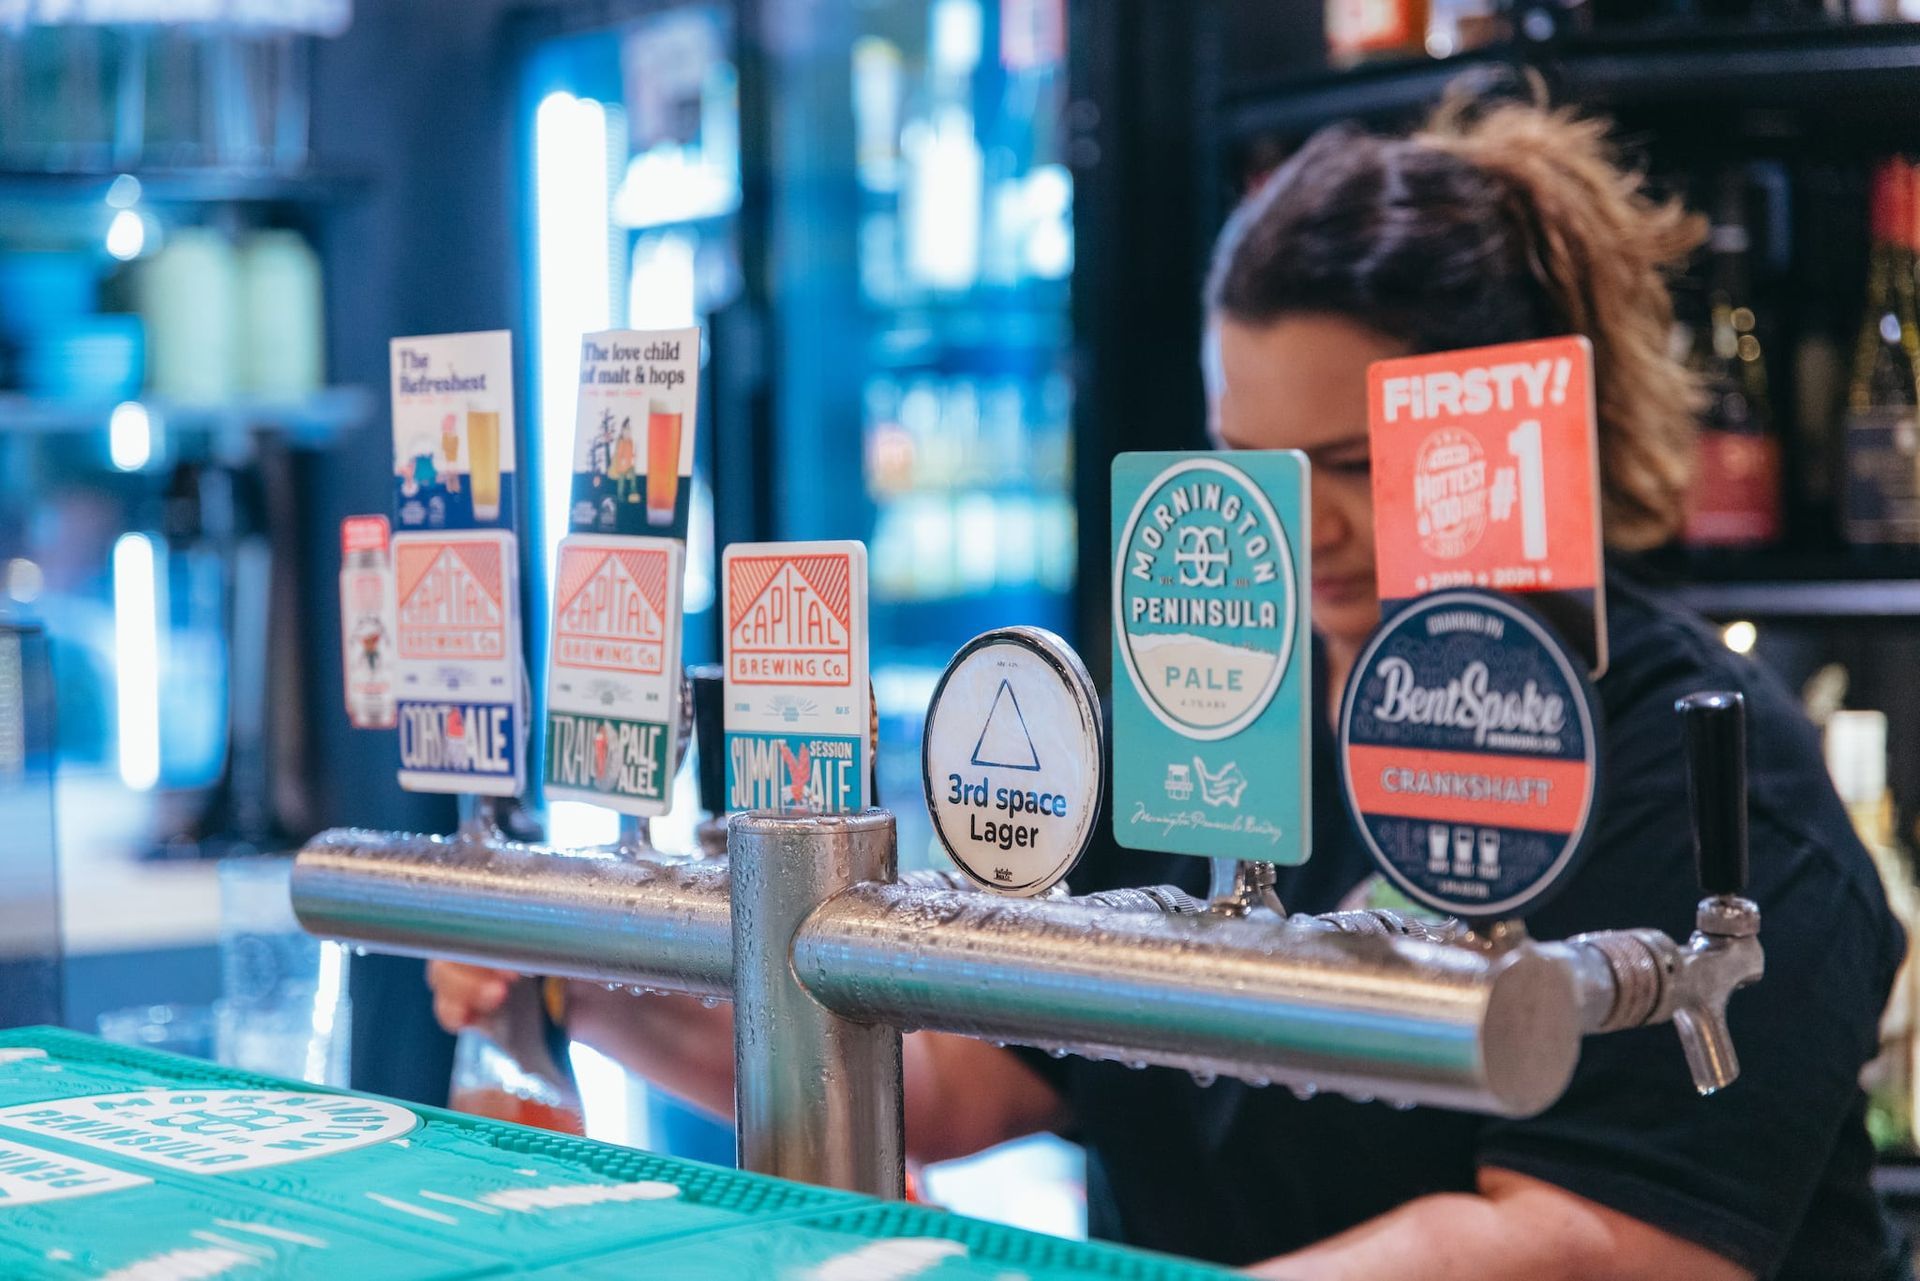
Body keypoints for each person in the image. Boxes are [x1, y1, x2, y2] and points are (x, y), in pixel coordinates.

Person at [429, 87, 1907, 1279]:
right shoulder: (1197, 733)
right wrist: (579, 986)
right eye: (1252, 465)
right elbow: (954, 1073)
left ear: (1497, 432)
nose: (1303, 524)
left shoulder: (1698, 763)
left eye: (1356, 465)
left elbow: (1592, 1244)